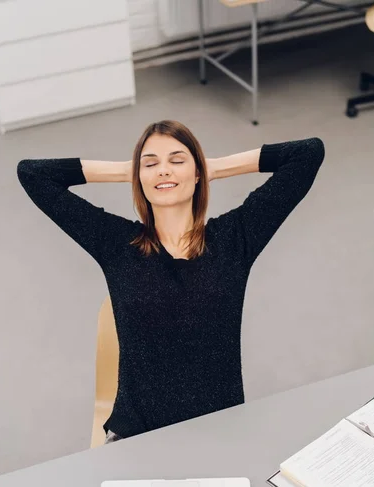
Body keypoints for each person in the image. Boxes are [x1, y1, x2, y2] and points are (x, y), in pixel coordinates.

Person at [17, 119, 325, 443]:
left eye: (177, 160)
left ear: (197, 174)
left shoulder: (235, 239)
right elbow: (33, 174)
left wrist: (212, 168)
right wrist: (128, 171)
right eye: (150, 164)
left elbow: (307, 153)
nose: (164, 170)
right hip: (137, 436)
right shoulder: (117, 244)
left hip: (222, 432)